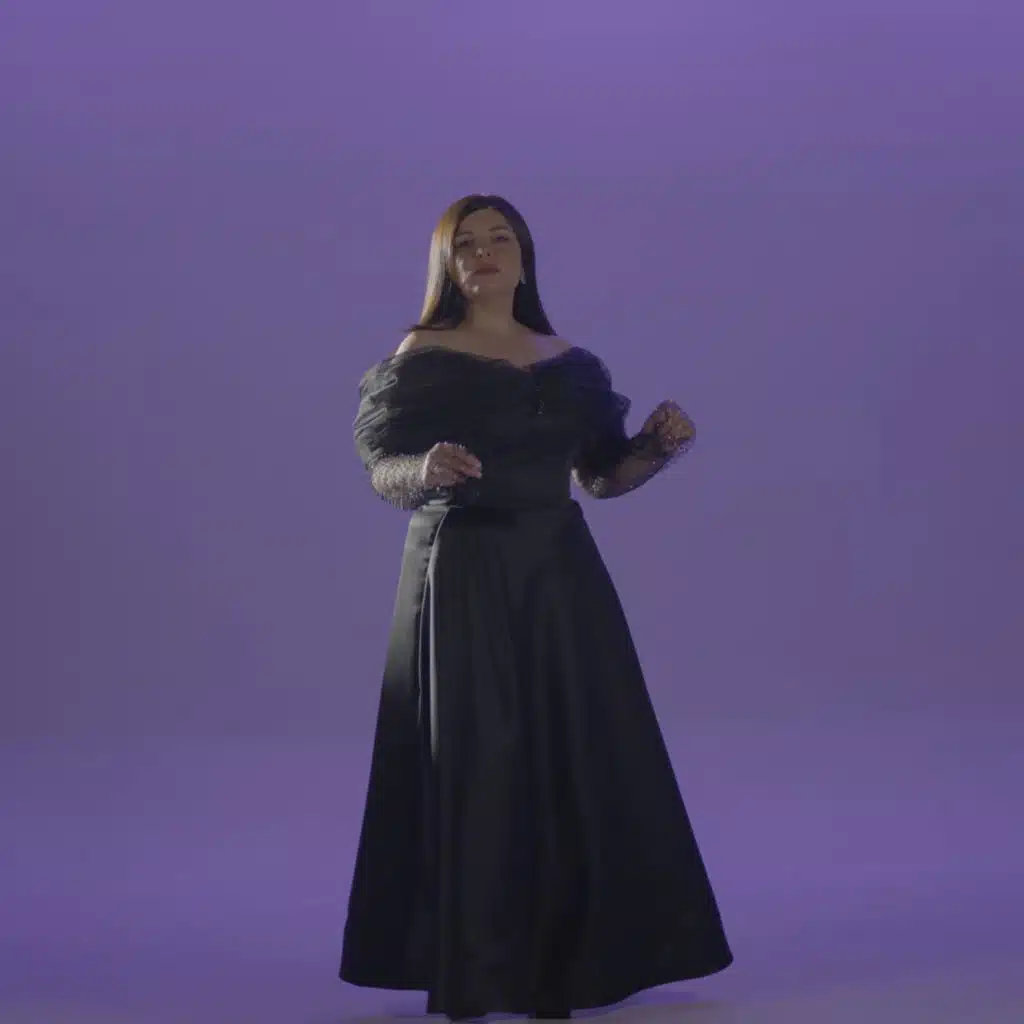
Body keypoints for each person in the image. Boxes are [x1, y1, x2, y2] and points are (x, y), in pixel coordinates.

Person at [339, 194, 733, 1022]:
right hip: (463, 569)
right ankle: (477, 967)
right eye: (466, 243)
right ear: (447, 264)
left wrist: (656, 446)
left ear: (524, 256)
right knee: (475, 761)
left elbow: (600, 478)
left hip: (560, 576)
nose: (484, 252)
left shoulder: (570, 363)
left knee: (572, 754)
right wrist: (422, 470)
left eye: (500, 239)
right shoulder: (423, 352)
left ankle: (566, 967)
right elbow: (381, 469)